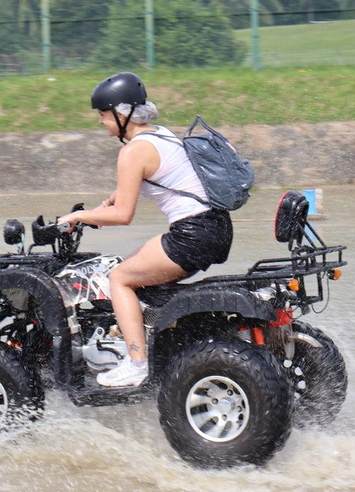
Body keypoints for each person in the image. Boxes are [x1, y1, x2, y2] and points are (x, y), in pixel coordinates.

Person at [57, 72, 234, 387]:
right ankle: (157, 336)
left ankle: (137, 363)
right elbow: (126, 194)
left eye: (102, 114)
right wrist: (97, 212)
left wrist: (79, 217)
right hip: (216, 227)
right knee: (136, 273)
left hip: (191, 233)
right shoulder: (161, 135)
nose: (100, 122)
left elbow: (124, 214)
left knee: (120, 278)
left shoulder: (132, 151)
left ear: (121, 113)